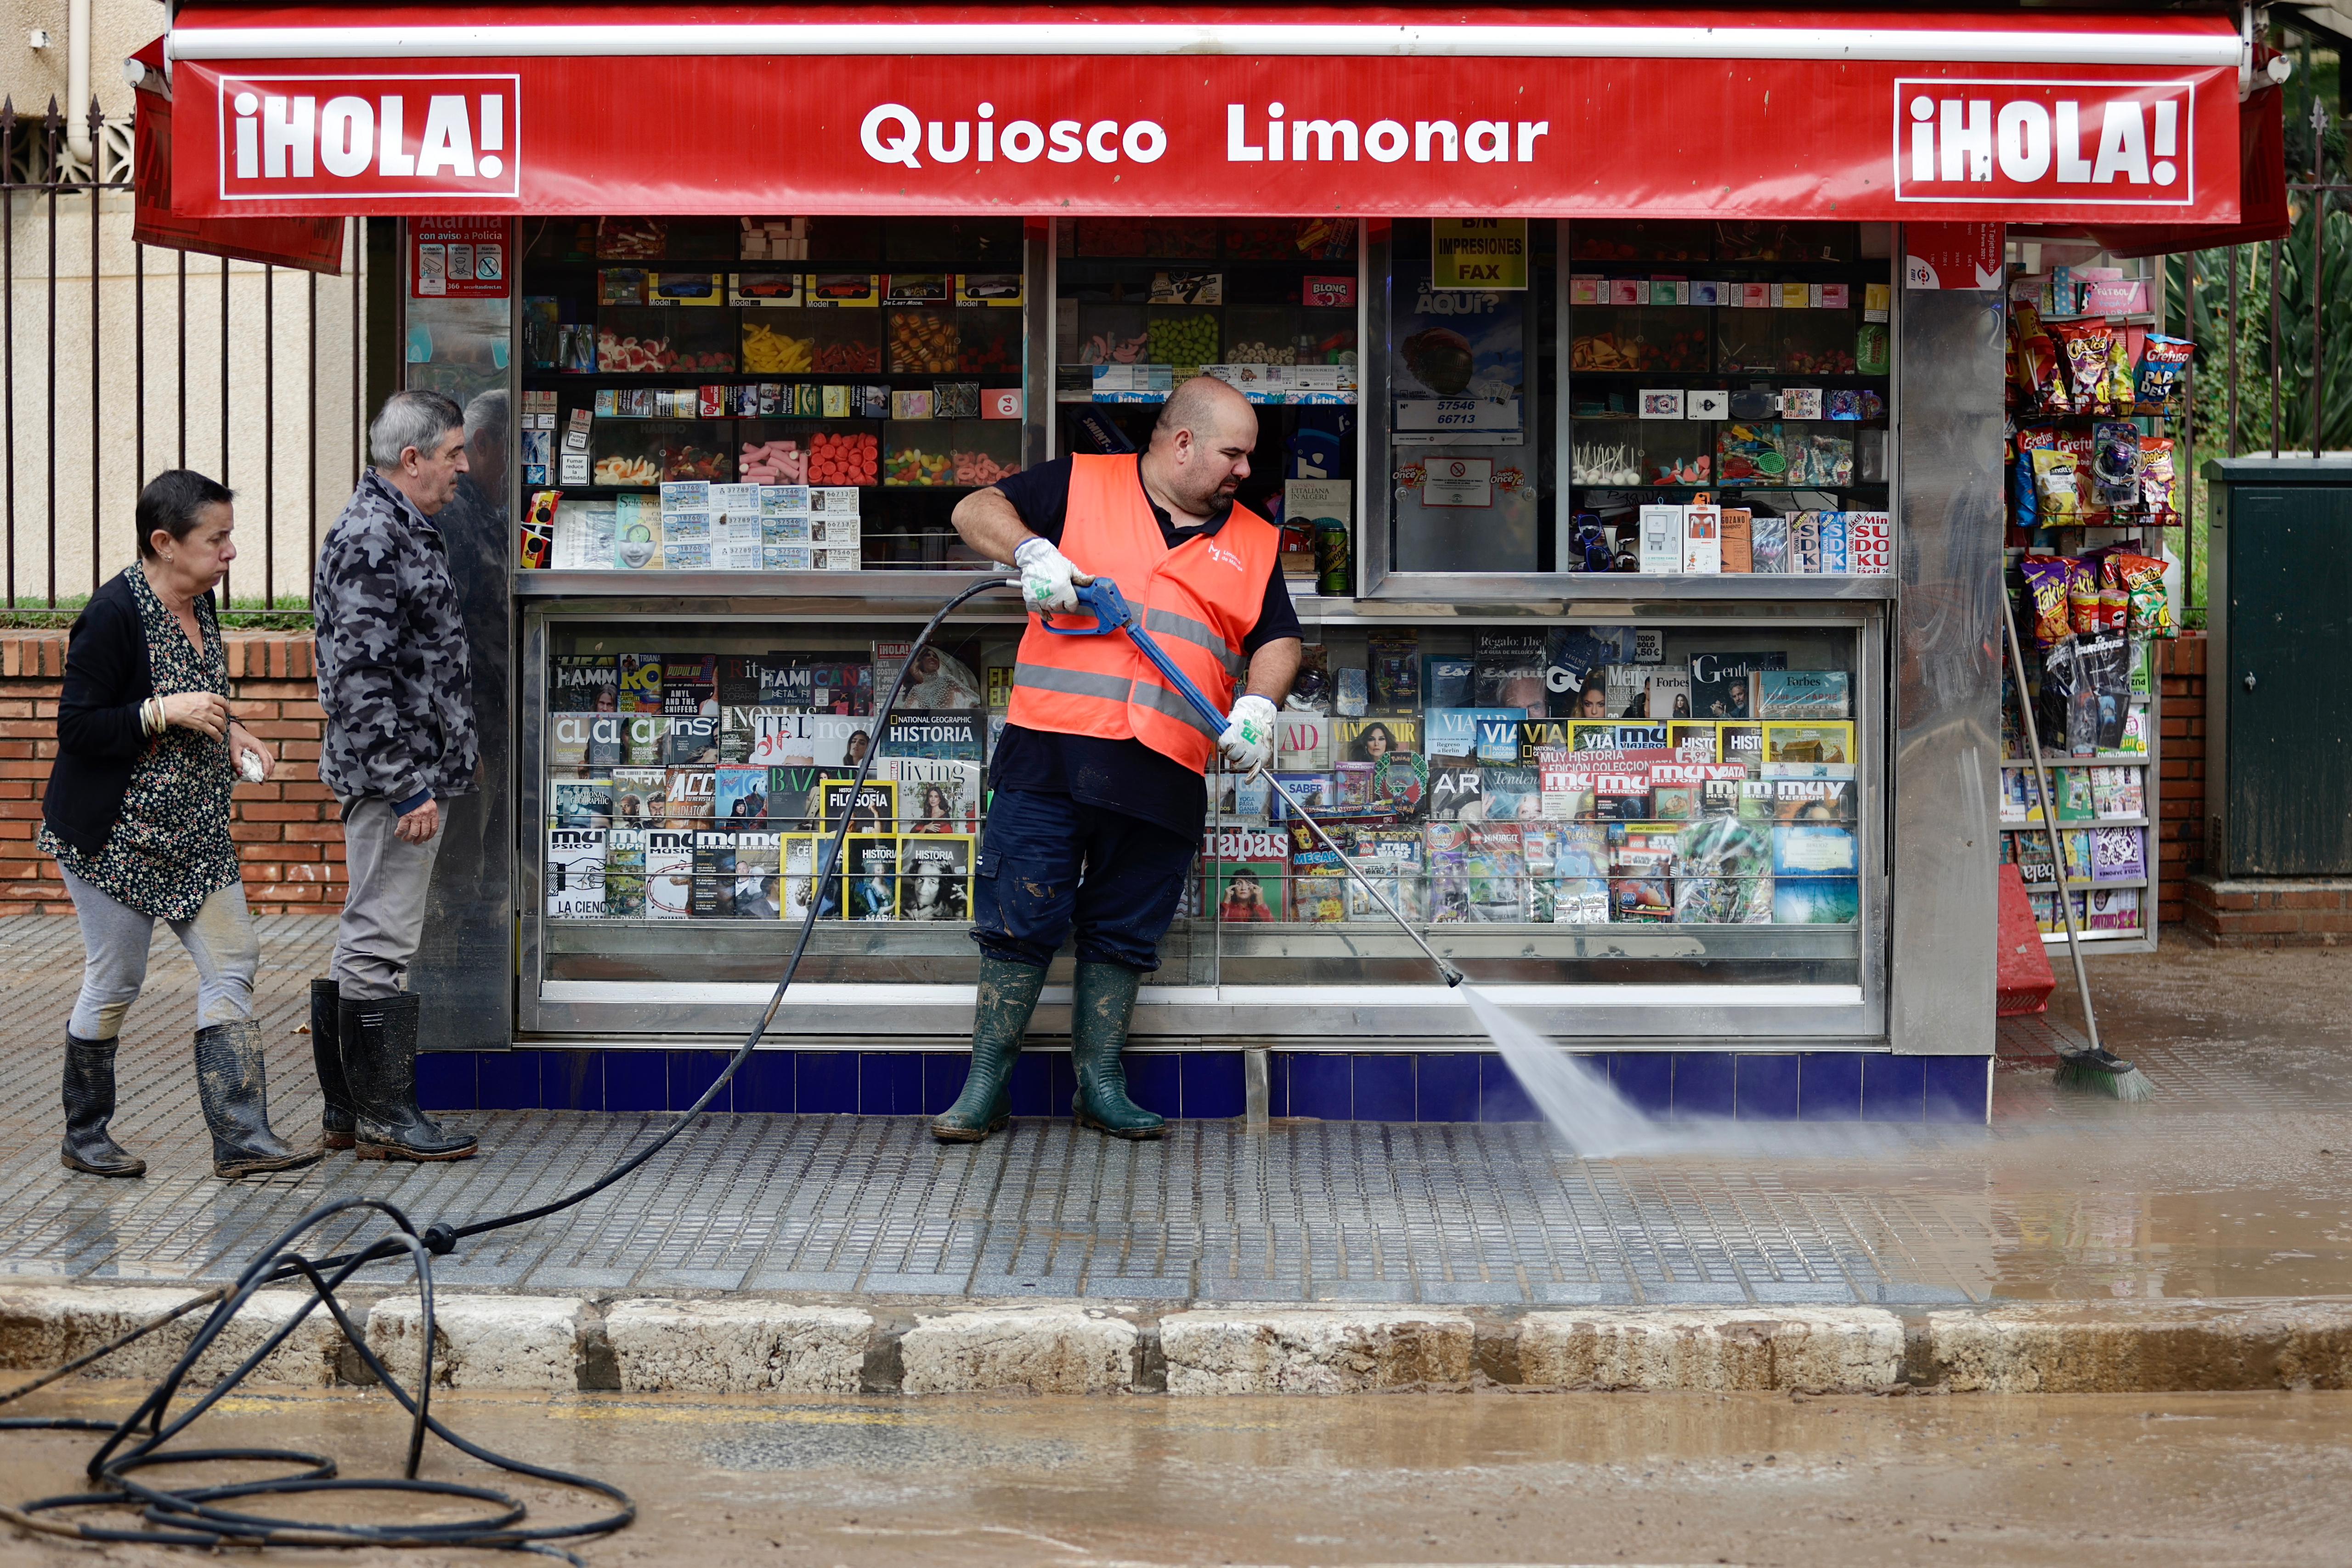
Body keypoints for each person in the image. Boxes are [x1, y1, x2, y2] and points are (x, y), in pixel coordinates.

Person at [935, 375, 1301, 1143]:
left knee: (1125, 931)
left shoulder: (1255, 538)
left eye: (1249, 457)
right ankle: (985, 1086)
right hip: (1050, 751)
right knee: (1017, 918)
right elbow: (974, 509)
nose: (1244, 471)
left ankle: (1100, 1083)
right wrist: (1032, 550)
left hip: (1163, 764)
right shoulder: (1079, 483)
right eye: (1233, 454)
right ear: (1182, 443)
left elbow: (1278, 637)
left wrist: (1259, 705)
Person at [42, 470, 317, 1179]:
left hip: (195, 832)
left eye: (230, 536)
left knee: (234, 961)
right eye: (215, 538)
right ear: (164, 543)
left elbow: (202, 693)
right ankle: (86, 1133)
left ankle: (241, 1137)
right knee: (117, 978)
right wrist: (162, 712)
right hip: (114, 838)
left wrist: (232, 730)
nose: (230, 552)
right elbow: (76, 726)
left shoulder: (202, 602)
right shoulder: (112, 614)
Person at [309, 390, 482, 1163]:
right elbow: (357, 677)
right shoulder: (374, 537)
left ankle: (351, 1113)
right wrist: (406, 782)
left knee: (371, 935)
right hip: (393, 781)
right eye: (453, 453)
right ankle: (383, 1116)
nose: (465, 467)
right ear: (410, 460)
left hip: (408, 768)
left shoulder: (403, 527)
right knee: (380, 938)